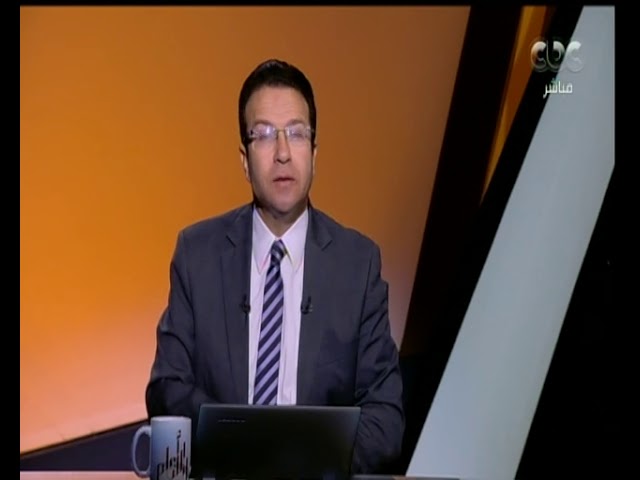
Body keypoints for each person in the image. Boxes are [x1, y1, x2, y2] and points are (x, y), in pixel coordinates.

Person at [145, 58, 404, 474]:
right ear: (244, 160)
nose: (283, 153)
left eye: (296, 133)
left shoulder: (358, 265)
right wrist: (246, 445)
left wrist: (300, 458)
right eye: (264, 135)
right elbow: (166, 389)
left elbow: (386, 418)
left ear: (314, 153)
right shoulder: (197, 255)